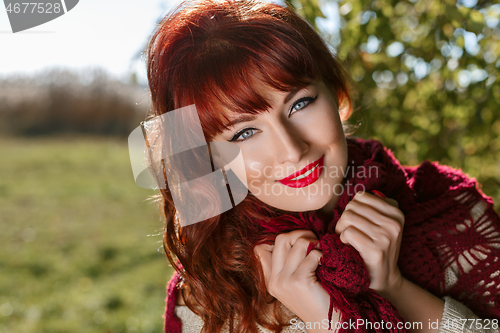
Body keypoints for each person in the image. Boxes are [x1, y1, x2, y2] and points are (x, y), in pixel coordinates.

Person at [141, 0, 500, 332]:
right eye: (245, 132)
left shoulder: (453, 213)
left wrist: (393, 287)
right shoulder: (206, 293)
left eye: (300, 104)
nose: (293, 150)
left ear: (336, 92)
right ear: (210, 157)